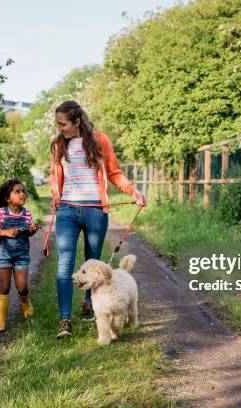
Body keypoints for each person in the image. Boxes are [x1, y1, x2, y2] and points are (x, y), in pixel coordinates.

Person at [50, 100, 147, 338]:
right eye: (58, 124)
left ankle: (89, 303)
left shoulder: (100, 140)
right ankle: (64, 320)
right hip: (67, 211)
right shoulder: (58, 145)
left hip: (95, 210)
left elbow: (114, 173)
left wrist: (132, 191)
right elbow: (55, 175)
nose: (60, 128)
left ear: (77, 121)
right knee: (65, 263)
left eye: (63, 124)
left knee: (91, 262)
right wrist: (55, 196)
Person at [0, 179, 38, 332]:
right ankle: (1, 318)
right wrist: (4, 232)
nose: (22, 194)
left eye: (23, 191)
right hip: (4, 255)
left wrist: (32, 230)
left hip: (21, 255)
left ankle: (26, 302)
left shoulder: (27, 213)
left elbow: (29, 232)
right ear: (8, 198)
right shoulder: (1, 213)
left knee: (22, 287)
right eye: (17, 191)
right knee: (5, 286)